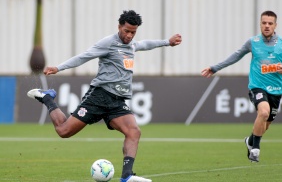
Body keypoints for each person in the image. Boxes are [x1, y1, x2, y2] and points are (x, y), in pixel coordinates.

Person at [27, 10, 182, 182]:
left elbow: (145, 44)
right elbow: (84, 56)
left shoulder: (131, 45)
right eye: (127, 31)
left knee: (134, 132)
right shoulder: (108, 43)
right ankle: (48, 98)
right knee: (64, 131)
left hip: (117, 102)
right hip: (99, 96)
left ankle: (127, 176)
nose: (130, 35)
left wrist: (167, 42)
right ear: (119, 27)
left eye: (133, 32)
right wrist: (59, 67)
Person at [201, 10, 282, 163]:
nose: (266, 26)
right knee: (264, 112)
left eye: (270, 23)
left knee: (265, 124)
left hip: (277, 91)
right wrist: (215, 68)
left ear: (275, 25)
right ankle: (255, 149)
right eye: (264, 23)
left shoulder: (281, 44)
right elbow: (236, 56)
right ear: (260, 24)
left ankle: (250, 141)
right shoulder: (253, 42)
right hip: (257, 87)